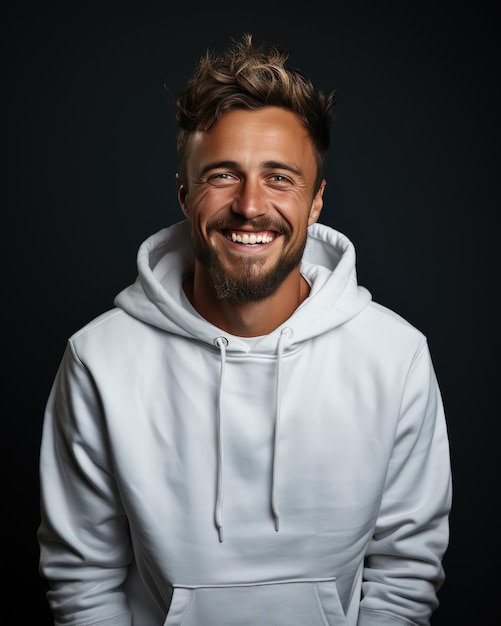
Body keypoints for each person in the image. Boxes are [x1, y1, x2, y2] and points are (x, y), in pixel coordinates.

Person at [37, 33, 452, 626]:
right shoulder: (97, 360)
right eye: (224, 176)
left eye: (280, 177)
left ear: (316, 202)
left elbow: (405, 572)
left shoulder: (396, 356)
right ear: (185, 195)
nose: (251, 205)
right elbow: (83, 580)